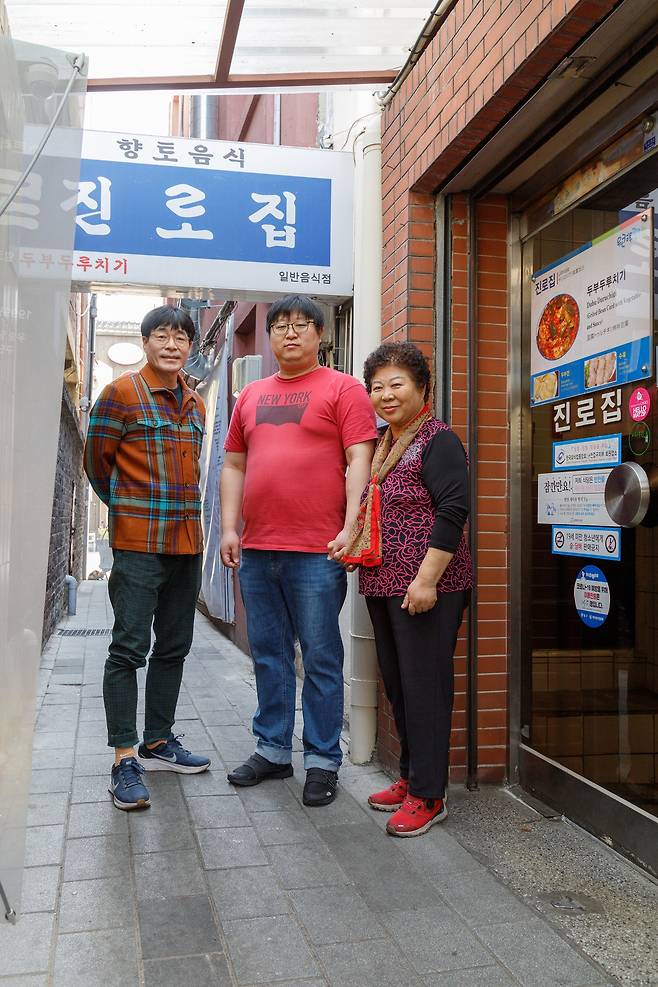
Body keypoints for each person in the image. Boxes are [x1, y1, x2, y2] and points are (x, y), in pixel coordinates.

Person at [220, 295, 376, 806]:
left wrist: (352, 524)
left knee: (321, 656)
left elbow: (359, 457)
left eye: (302, 324)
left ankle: (323, 760)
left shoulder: (344, 389)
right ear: (269, 335)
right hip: (258, 548)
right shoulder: (250, 395)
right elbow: (234, 465)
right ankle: (271, 750)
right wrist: (229, 528)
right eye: (281, 325)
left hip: (317, 549)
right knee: (269, 654)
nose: (290, 332)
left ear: (320, 334)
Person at [341, 341, 473, 837]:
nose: (386, 395)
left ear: (422, 388)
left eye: (397, 384)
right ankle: (412, 777)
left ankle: (430, 795)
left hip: (427, 588)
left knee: (425, 688)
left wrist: (426, 580)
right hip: (384, 583)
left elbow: (453, 511)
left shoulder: (439, 440)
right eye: (377, 387)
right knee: (399, 686)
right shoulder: (383, 443)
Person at [84, 305, 210, 812]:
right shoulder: (120, 394)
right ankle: (124, 758)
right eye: (162, 335)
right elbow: (97, 464)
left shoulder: (196, 404)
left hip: (187, 543)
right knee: (128, 648)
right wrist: (129, 510)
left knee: (175, 646)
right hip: (138, 544)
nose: (172, 344)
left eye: (181, 337)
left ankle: (158, 742)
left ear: (190, 346)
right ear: (146, 342)